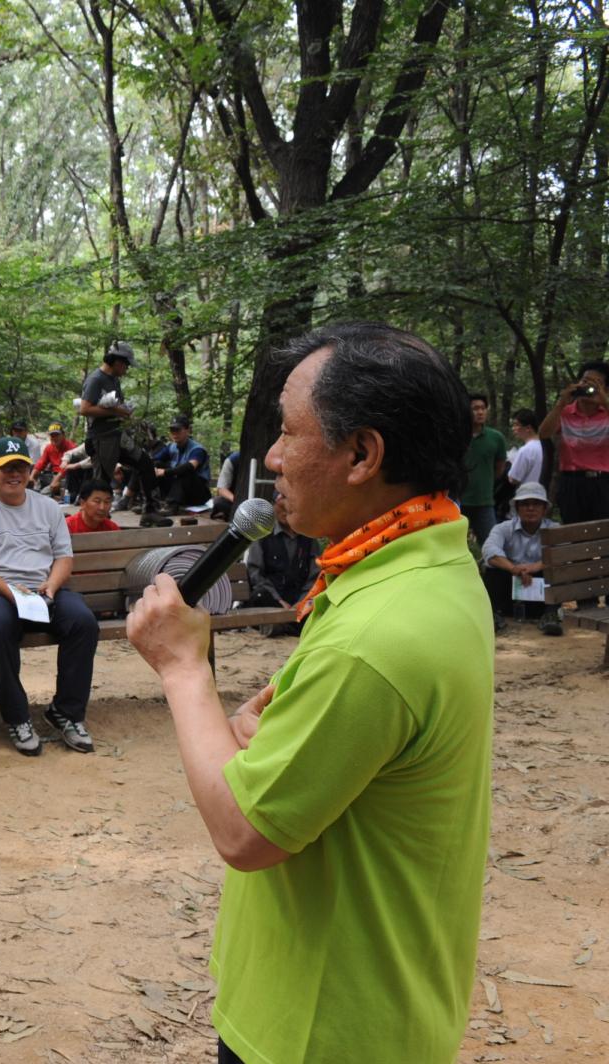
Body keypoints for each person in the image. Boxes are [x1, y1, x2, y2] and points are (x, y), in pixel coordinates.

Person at [126, 322, 491, 1064]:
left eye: (288, 433)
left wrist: (183, 668)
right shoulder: (434, 562)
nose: (271, 457)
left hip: (325, 1027)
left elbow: (243, 834)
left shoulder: (378, 635)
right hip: (358, 997)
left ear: (362, 453)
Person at [0, 436, 100, 756]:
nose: (14, 474)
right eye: (6, 468)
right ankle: (17, 717)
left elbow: (63, 558)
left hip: (42, 589)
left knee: (83, 622)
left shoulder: (47, 507)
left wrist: (51, 587)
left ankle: (66, 712)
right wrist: (10, 593)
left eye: (21, 468)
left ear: (29, 471)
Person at [78, 341, 167, 524]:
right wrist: (116, 411)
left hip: (118, 435)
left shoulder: (114, 381)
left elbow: (115, 407)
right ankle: (97, 519)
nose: (126, 369)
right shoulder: (96, 379)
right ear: (117, 362)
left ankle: (150, 510)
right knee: (101, 481)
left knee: (145, 463)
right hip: (102, 438)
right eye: (126, 365)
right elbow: (85, 409)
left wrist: (125, 413)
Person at [482, 481, 563, 635]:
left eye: (536, 504)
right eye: (525, 504)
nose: (530, 508)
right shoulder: (503, 528)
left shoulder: (554, 529)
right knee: (492, 566)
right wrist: (513, 569)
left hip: (542, 592)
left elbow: (563, 552)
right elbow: (489, 550)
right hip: (510, 587)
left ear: (545, 509)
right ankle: (494, 614)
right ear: (517, 508)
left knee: (557, 568)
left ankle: (551, 615)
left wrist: (535, 567)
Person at [539, 360, 609, 526]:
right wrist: (562, 402)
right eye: (585, 381)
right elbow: (543, 433)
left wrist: (604, 401)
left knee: (603, 537)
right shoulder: (566, 412)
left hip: (603, 482)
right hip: (571, 483)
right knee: (574, 533)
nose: (588, 387)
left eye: (596, 383)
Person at [243, 494, 317, 637]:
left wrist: (302, 601)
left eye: (288, 507)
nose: (284, 512)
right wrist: (278, 600)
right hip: (272, 598)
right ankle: (286, 624)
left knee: (317, 606)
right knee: (259, 596)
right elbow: (255, 572)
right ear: (273, 507)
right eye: (280, 507)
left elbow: (315, 574)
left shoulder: (308, 537)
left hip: (299, 600)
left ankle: (281, 626)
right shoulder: (263, 533)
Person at [462, 392, 508, 547]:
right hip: (458, 501)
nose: (480, 412)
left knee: (492, 545)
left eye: (483, 408)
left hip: (484, 502)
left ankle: (490, 571)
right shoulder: (457, 436)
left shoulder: (496, 438)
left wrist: (486, 482)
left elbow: (499, 468)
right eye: (475, 408)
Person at [153, 416, 212, 512]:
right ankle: (148, 501)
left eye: (178, 430)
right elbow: (154, 460)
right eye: (172, 430)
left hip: (197, 494)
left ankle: (171, 505)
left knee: (185, 471)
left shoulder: (197, 449)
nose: (175, 433)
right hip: (178, 491)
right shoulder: (171, 447)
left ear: (188, 430)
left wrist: (165, 472)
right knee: (154, 465)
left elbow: (190, 467)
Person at [30, 423, 76, 493]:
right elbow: (41, 463)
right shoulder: (49, 448)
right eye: (52, 435)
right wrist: (32, 477)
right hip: (53, 475)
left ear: (63, 435)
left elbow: (68, 468)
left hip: (67, 477)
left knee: (44, 492)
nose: (54, 438)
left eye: (57, 435)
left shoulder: (72, 447)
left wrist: (56, 480)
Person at [506, 409, 543, 489]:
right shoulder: (544, 447)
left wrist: (511, 464)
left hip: (527, 495)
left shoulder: (526, 450)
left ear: (528, 428)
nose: (513, 428)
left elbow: (513, 479)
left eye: (516, 425)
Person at [212, 449, 241, 521]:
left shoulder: (270, 460)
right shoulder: (233, 460)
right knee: (219, 502)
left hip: (263, 504)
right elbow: (221, 489)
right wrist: (237, 500)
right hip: (236, 502)